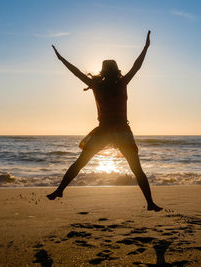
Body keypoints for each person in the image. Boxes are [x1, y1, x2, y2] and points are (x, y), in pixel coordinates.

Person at [47, 30, 162, 211]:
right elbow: (136, 66)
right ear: (116, 71)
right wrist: (146, 47)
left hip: (108, 130)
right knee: (135, 169)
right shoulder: (121, 83)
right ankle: (150, 203)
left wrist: (61, 59)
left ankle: (60, 190)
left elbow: (77, 72)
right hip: (120, 130)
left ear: (104, 71)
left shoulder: (98, 85)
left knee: (82, 162)